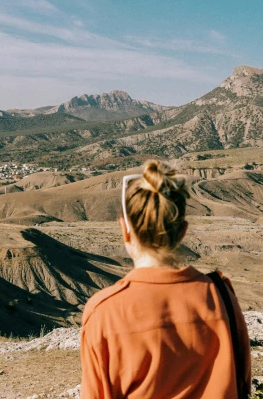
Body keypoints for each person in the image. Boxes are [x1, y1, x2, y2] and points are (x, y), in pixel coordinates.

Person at [80, 160, 252, 398]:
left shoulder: (104, 313)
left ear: (125, 230)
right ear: (182, 231)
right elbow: (241, 383)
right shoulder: (221, 296)